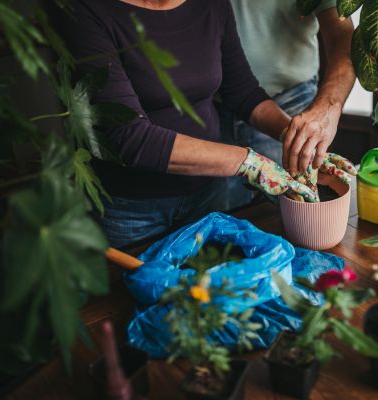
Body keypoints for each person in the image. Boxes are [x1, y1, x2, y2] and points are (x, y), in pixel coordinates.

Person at [54, 0, 355, 248]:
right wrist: (252, 163)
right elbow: (130, 137)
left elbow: (244, 93)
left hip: (206, 197)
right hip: (130, 210)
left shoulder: (211, 4)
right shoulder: (84, 11)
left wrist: (297, 136)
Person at [218, 0, 356, 209]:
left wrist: (326, 108)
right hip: (209, 109)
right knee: (218, 222)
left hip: (289, 104)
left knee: (296, 212)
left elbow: (342, 38)